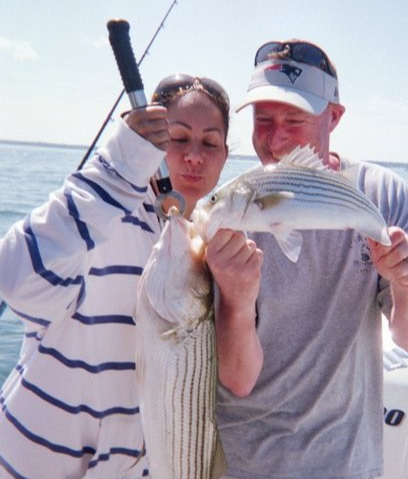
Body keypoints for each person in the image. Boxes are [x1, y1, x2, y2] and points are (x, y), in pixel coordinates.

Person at [0, 74, 262, 478]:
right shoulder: (99, 211)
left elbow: (236, 379)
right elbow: (15, 277)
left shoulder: (223, 246)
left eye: (210, 143)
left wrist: (241, 299)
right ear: (151, 145)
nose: (195, 156)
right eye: (177, 138)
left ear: (226, 156)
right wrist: (117, 169)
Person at [210, 40, 408, 479]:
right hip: (242, 463)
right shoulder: (227, 212)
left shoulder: (384, 195)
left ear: (334, 116)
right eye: (262, 120)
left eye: (294, 120)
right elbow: (237, 379)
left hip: (347, 462)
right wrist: (237, 301)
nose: (276, 138)